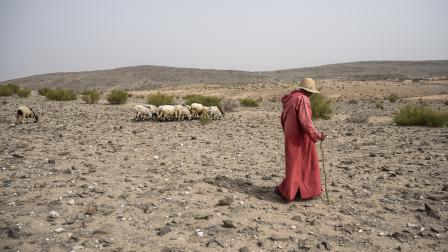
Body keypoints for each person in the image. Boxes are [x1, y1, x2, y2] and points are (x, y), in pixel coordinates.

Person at [274, 78, 326, 202]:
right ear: (310, 91)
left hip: (291, 135)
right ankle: (300, 191)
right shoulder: (303, 99)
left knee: (295, 164)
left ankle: (293, 190)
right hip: (300, 137)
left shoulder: (292, 97)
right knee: (306, 163)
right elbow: (306, 122)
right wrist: (318, 135)